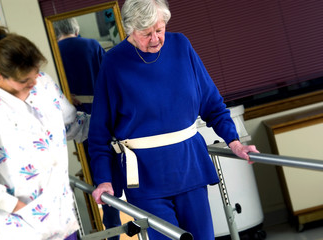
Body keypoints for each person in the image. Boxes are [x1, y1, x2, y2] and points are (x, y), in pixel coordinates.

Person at [88, 0, 260, 239]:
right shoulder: (114, 63)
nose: (156, 39)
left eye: (159, 30)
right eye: (147, 34)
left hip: (190, 166)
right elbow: (99, 133)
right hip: (146, 179)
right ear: (130, 30)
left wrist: (235, 141)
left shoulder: (181, 46)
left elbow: (212, 103)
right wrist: (104, 180)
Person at [0, 26, 90, 240]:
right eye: (24, 81)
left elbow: (72, 124)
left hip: (63, 222)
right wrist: (17, 207)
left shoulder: (44, 84)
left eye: (36, 73)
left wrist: (111, 125)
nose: (33, 83)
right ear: (1, 74)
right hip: (24, 230)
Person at [53, 18, 121, 239]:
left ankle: (108, 224)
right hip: (104, 118)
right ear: (76, 27)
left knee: (97, 176)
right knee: (115, 172)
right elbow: (110, 80)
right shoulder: (92, 46)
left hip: (76, 124)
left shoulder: (55, 51)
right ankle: (113, 222)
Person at [53, 18, 105, 114]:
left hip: (71, 110)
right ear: (76, 30)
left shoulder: (53, 52)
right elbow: (109, 75)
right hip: (99, 106)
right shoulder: (93, 45)